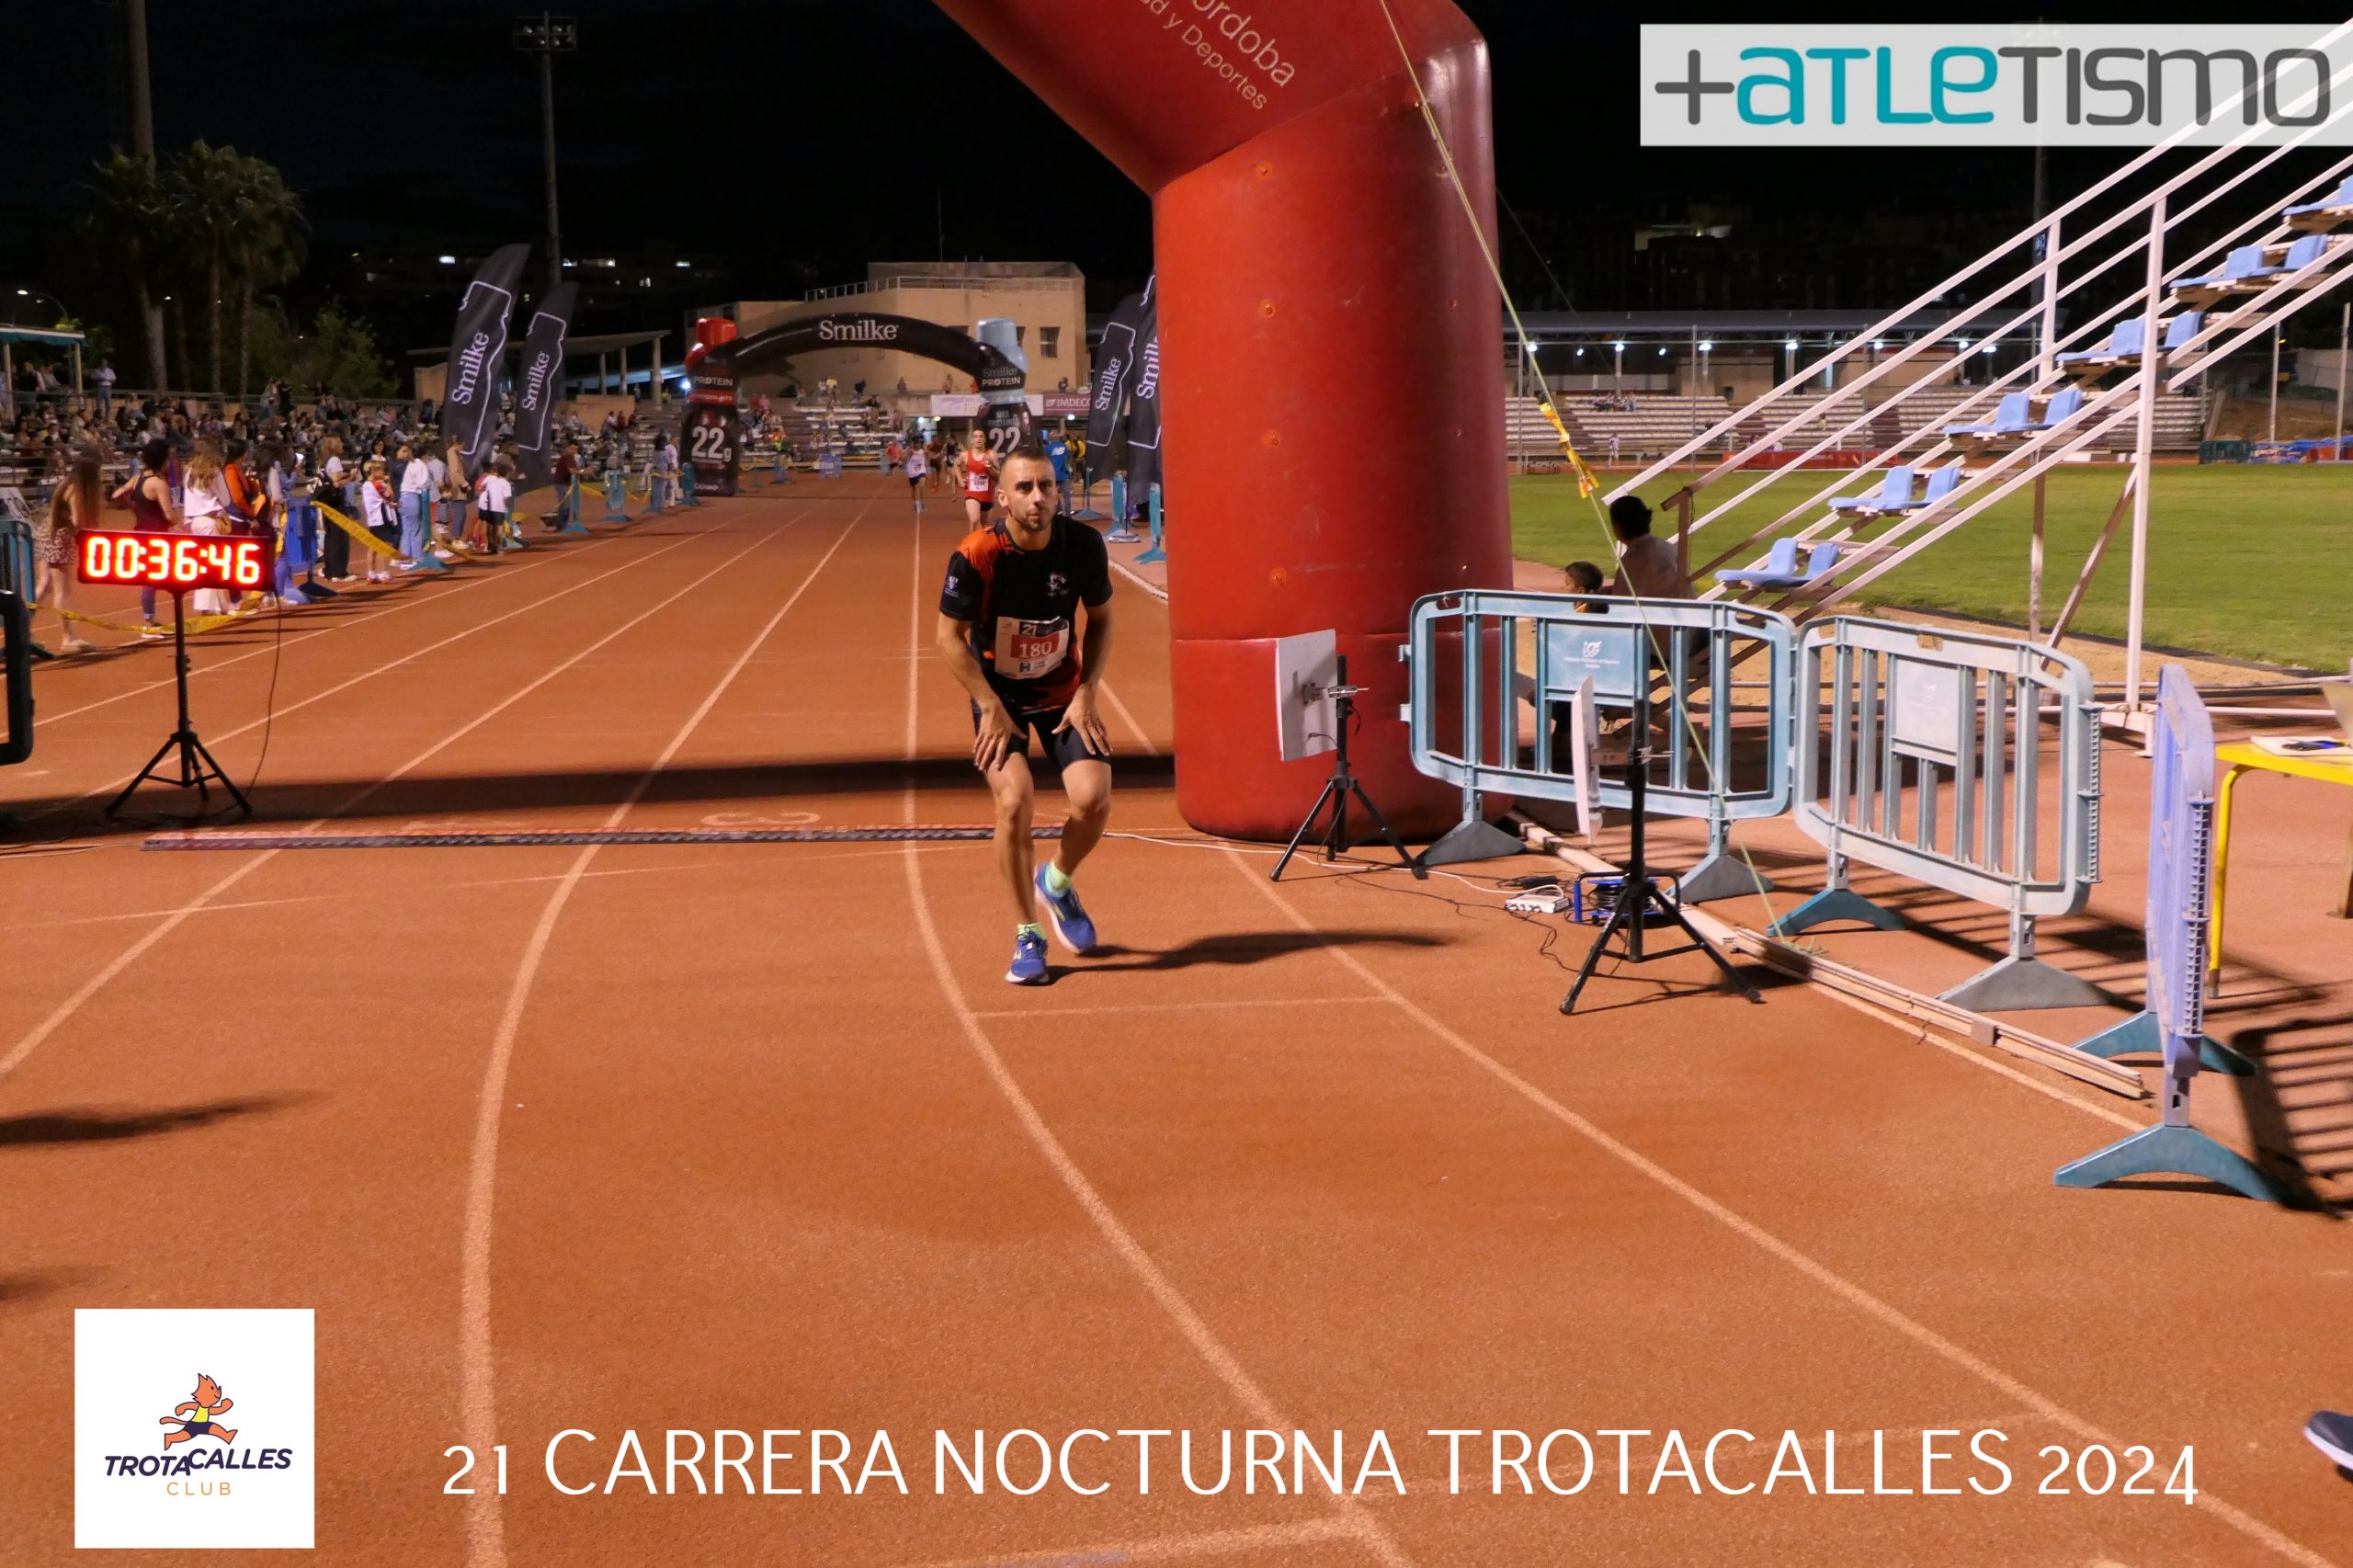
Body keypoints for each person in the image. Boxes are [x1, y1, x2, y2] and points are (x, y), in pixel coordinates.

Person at [934, 437, 1115, 986]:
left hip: (1061, 692)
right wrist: (987, 704)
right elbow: (948, 636)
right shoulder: (977, 554)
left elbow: (1102, 619)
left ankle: (1055, 882)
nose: (1038, 497)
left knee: (1094, 800)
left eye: (1046, 486)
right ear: (1004, 498)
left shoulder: (1083, 545)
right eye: (1025, 487)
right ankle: (1028, 933)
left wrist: (1087, 692)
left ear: (1059, 492)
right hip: (1002, 699)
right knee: (1014, 801)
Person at [113, 436, 182, 637]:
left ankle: (150, 618)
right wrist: (178, 523)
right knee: (154, 578)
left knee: (156, 577)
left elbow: (116, 495)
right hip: (157, 536)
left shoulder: (138, 478)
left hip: (141, 532)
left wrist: (134, 506)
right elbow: (168, 514)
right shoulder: (159, 484)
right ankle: (149, 621)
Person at [35, 449, 99, 653]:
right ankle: (67, 637)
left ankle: (20, 630)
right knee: (61, 590)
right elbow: (78, 521)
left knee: (44, 585)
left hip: (47, 533)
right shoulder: (75, 490)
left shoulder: (67, 483)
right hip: (59, 538)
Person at [1605, 494, 1690, 600]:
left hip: (1660, 610)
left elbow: (1621, 603)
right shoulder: (1669, 548)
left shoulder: (1631, 561)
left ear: (1617, 527)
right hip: (1686, 608)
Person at [959, 427, 998, 528]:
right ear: (972, 440)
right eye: (976, 437)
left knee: (985, 526)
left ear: (985, 440)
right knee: (974, 519)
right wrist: (959, 479)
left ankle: (979, 538)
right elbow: (956, 464)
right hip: (971, 493)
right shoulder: (965, 455)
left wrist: (990, 468)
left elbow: (998, 476)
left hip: (987, 494)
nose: (979, 439)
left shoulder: (991, 455)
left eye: (981, 436)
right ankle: (972, 539)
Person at [902, 434, 929, 514]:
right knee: (914, 489)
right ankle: (915, 503)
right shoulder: (909, 450)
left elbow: (927, 453)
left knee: (920, 485)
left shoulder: (923, 448)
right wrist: (907, 453)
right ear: (913, 443)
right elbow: (903, 459)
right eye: (916, 443)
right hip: (912, 472)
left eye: (919, 443)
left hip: (921, 470)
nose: (918, 445)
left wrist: (926, 461)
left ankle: (921, 503)